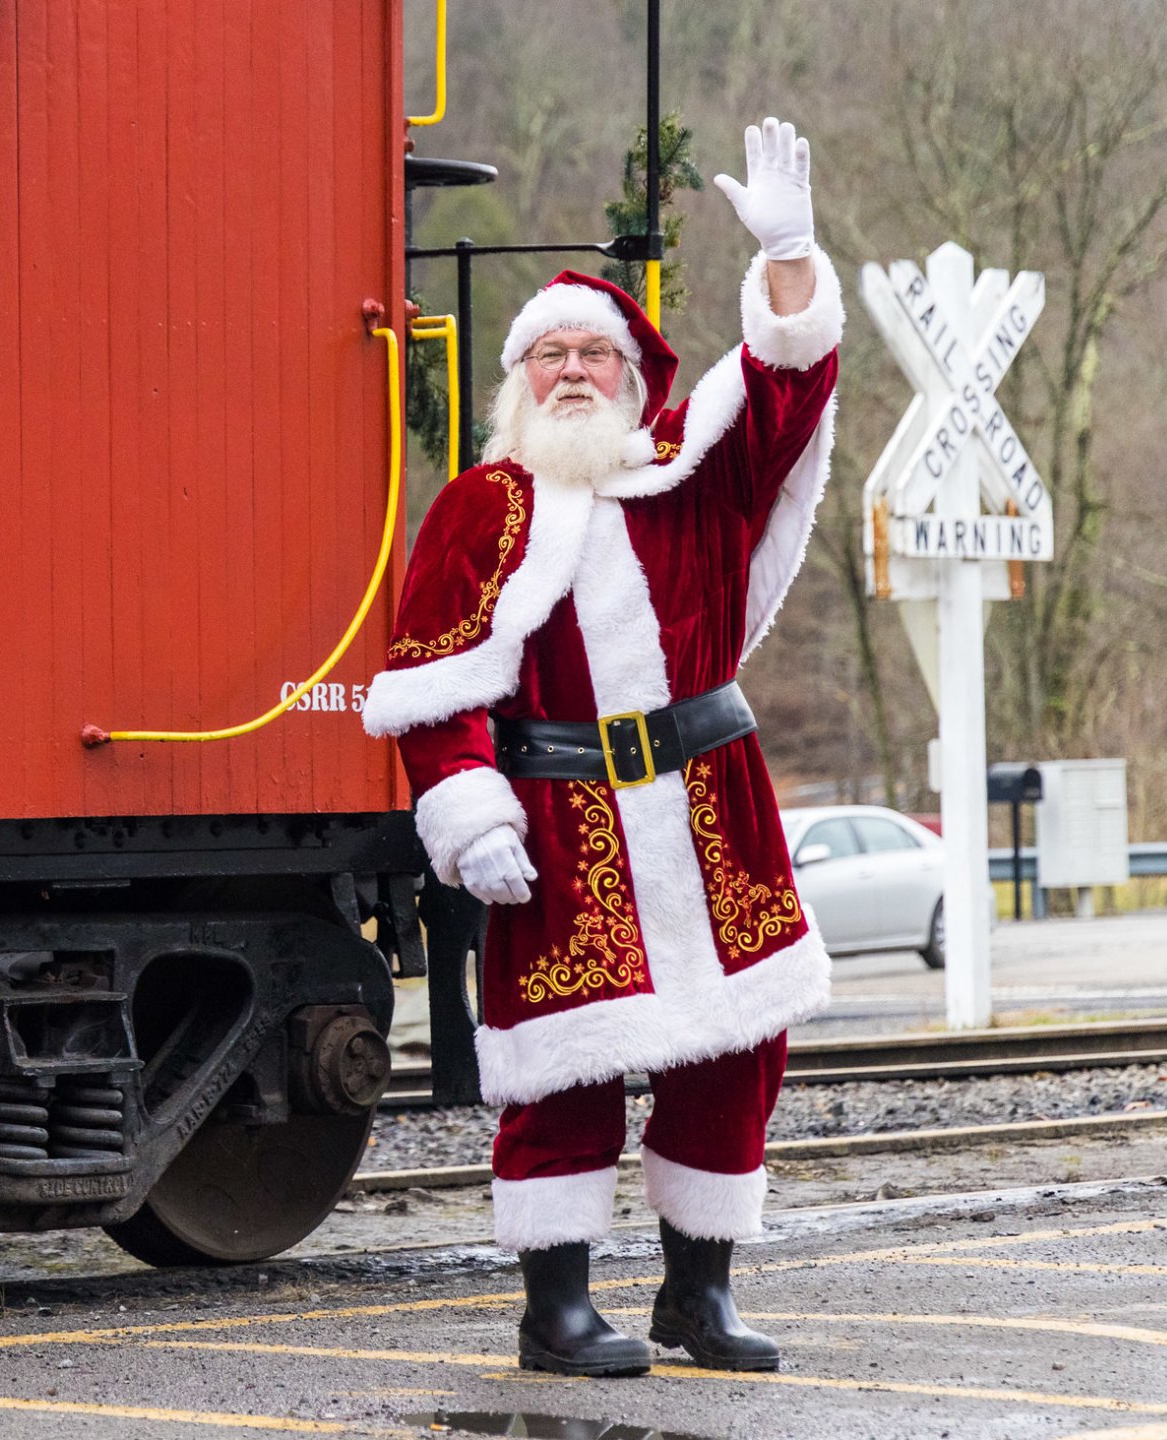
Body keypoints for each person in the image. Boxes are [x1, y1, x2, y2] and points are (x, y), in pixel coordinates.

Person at [363, 117, 842, 1377]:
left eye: (597, 354)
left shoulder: (692, 473)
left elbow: (786, 389)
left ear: (636, 380)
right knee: (563, 1066)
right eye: (550, 356)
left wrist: (789, 256)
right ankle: (556, 1308)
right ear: (521, 382)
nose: (573, 370)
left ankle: (700, 1292)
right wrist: (466, 808)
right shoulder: (485, 506)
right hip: (563, 813)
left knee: (737, 1048)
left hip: (710, 800)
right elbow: (434, 681)